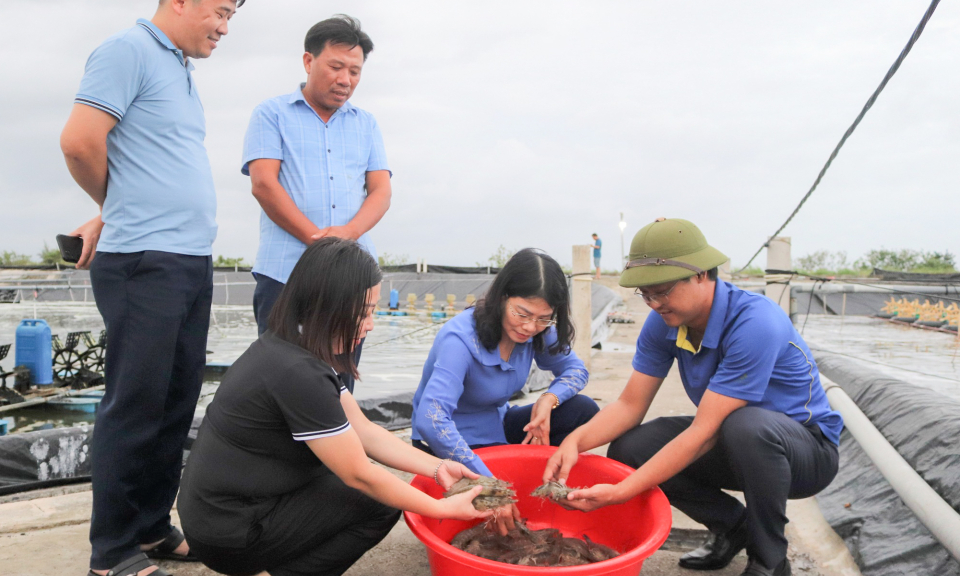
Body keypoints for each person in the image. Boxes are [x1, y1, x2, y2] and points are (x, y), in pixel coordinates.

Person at [543, 218, 842, 576]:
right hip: (735, 440)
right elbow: (629, 405)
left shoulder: (754, 322)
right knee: (633, 448)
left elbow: (704, 432)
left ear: (701, 274)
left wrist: (623, 491)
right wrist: (575, 442)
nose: (653, 303)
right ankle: (733, 527)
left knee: (745, 426)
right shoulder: (665, 322)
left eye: (662, 290)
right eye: (646, 293)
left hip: (804, 450)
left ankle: (769, 560)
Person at [59, 2, 243, 575]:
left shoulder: (181, 71)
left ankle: (151, 527)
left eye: (233, 16)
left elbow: (148, 163)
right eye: (220, 11)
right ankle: (111, 552)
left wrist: (119, 208)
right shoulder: (127, 51)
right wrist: (115, 210)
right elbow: (78, 142)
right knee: (135, 406)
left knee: (174, 401)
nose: (225, 27)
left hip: (188, 260)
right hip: (145, 261)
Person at [178, 238, 490, 576]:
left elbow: (365, 431)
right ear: (328, 306)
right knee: (378, 502)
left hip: (221, 511)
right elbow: (359, 474)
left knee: (355, 477)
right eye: (365, 312)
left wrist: (438, 467)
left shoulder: (293, 345)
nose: (371, 324)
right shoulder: (297, 372)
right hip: (229, 529)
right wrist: (440, 506)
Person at [242, 15, 391, 392]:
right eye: (336, 67)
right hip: (284, 272)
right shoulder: (271, 114)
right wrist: (316, 240)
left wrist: (346, 237)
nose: (346, 80)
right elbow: (264, 184)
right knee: (280, 379)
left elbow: (381, 191)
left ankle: (334, 451)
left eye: (355, 71)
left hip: (352, 280)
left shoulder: (366, 123)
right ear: (309, 62)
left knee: (340, 381)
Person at [411, 248, 600, 532]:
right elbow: (432, 419)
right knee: (499, 498)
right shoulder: (459, 339)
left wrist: (549, 399)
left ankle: (546, 490)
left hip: (496, 425)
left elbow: (577, 370)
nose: (529, 326)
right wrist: (492, 485)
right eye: (521, 313)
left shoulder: (537, 331)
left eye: (543, 318)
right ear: (502, 297)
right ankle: (507, 498)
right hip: (448, 442)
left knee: (584, 411)